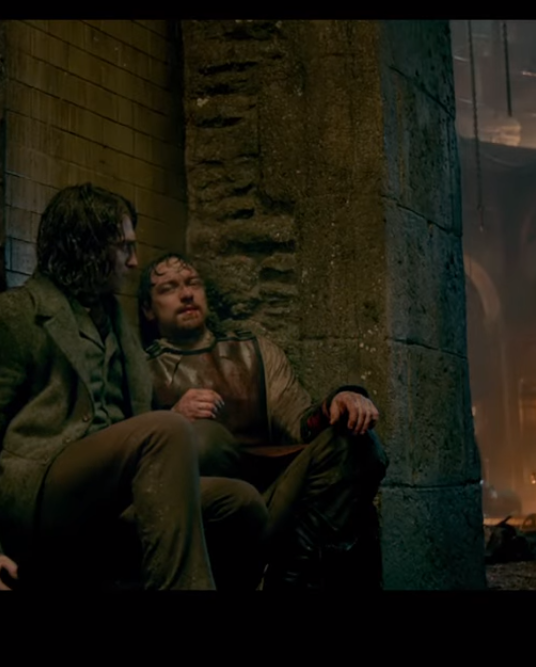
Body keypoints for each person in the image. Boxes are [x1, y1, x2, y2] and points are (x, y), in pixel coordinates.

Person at [0, 184, 267, 591]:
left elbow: (132, 424)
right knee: (166, 430)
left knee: (240, 503)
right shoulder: (14, 317)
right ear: (87, 248)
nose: (135, 261)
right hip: (42, 490)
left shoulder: (116, 319)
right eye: (124, 247)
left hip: (112, 489)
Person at [137, 251, 388, 591]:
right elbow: (132, 460)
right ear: (149, 309)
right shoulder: (142, 370)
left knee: (358, 443)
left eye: (193, 283)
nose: (186, 294)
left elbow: (301, 424)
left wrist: (339, 400)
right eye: (169, 288)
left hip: (271, 499)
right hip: (202, 512)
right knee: (204, 440)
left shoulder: (253, 352)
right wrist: (172, 420)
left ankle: (288, 575)